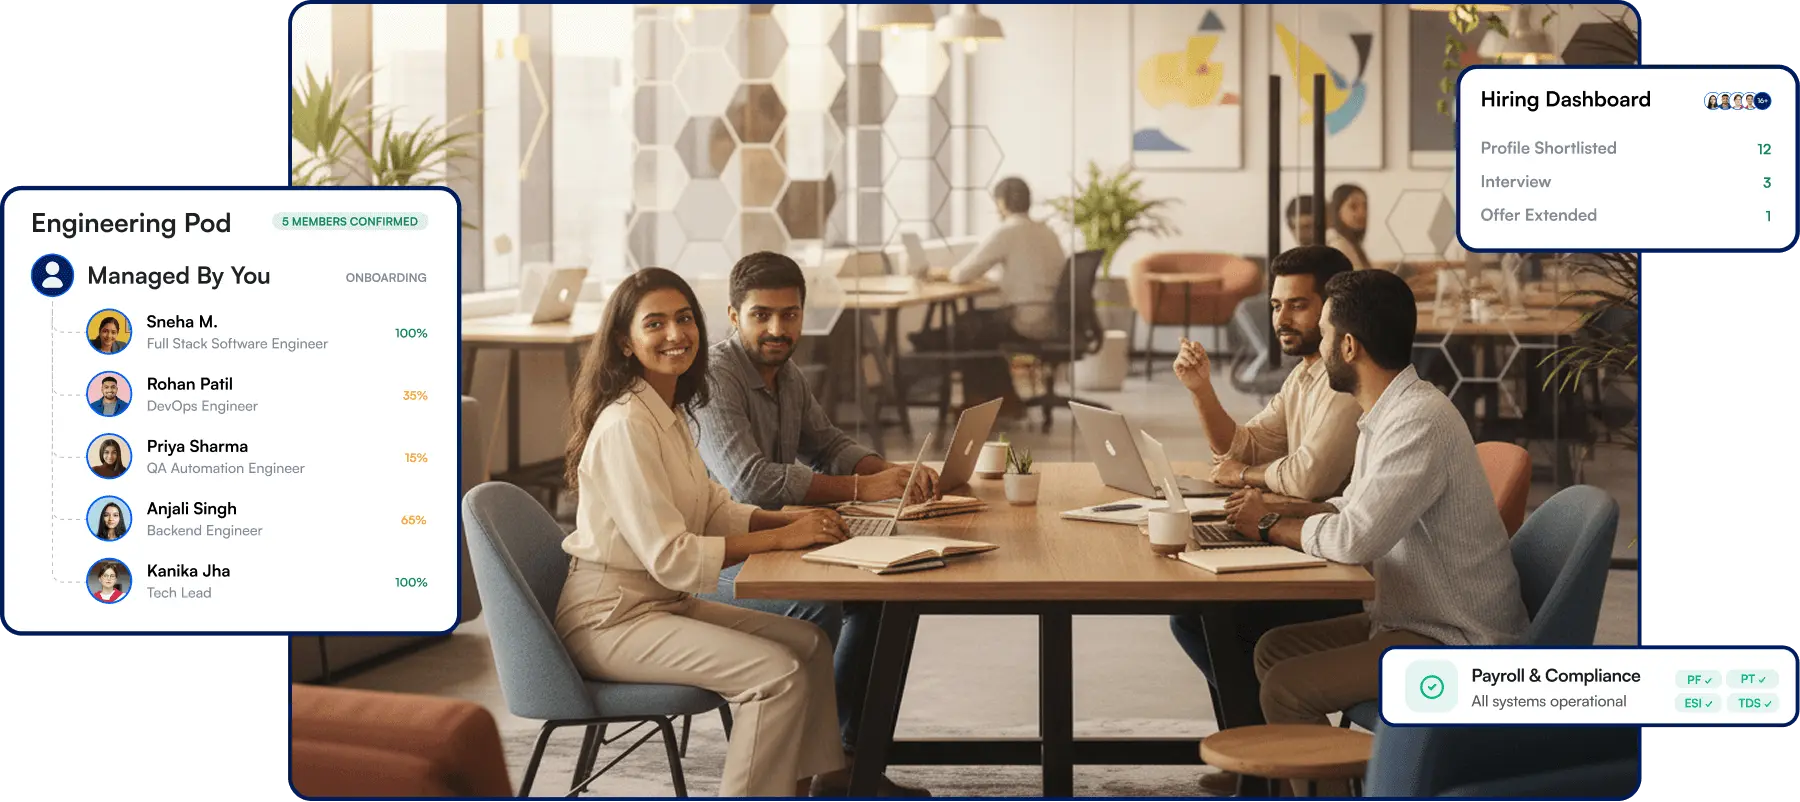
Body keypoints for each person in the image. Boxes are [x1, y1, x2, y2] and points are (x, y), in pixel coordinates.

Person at [1223, 269, 1529, 796]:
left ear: (1348, 345)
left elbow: (1354, 538)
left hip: (1452, 640)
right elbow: (1355, 504)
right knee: (1274, 649)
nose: (1316, 347)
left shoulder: (1418, 422)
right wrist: (1279, 504)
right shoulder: (1388, 413)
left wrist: (1271, 524)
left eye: (1322, 333)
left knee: (1286, 689)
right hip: (1409, 618)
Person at [554, 267, 855, 797]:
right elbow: (671, 556)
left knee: (807, 644)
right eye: (656, 324)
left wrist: (788, 521)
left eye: (685, 318)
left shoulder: (666, 410)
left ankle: (824, 784)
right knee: (775, 674)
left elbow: (714, 506)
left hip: (659, 605)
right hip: (611, 619)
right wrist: (782, 538)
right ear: (626, 342)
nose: (676, 334)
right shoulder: (626, 425)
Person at [691, 251, 938, 797]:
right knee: (814, 604)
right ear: (733, 316)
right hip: (720, 558)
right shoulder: (713, 377)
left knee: (887, 595)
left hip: (779, 542)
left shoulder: (787, 374)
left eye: (789, 314)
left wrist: (889, 472)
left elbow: (828, 445)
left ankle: (849, 763)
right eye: (762, 315)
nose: (777, 329)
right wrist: (860, 489)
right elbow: (749, 482)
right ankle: (815, 771)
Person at [1167, 246, 1365, 795]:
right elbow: (1245, 443)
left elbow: (1307, 478)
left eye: (1298, 306)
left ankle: (1264, 762)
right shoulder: (1303, 376)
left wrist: (1245, 475)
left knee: (1211, 617)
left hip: (1334, 566)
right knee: (1195, 615)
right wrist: (1202, 390)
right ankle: (1258, 756)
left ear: (1334, 311)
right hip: (1297, 540)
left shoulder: (1347, 382)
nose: (1281, 319)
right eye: (1277, 305)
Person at [912, 176, 1066, 417]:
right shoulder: (1046, 231)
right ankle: (1006, 399)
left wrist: (940, 274)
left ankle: (977, 402)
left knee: (968, 328)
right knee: (979, 328)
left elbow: (962, 273)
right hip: (1051, 317)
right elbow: (1027, 275)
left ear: (1001, 203)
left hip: (1026, 318)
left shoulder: (1009, 230)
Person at [1325, 184, 1374, 272]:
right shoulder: (1337, 243)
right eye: (1353, 207)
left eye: (1365, 207)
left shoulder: (1348, 241)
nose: (1362, 213)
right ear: (1337, 210)